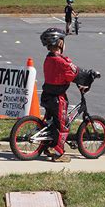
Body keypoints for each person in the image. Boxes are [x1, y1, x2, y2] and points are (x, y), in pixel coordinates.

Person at [39, 28, 80, 163]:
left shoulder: (48, 59)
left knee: (51, 123)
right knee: (63, 126)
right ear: (60, 43)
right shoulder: (62, 61)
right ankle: (59, 153)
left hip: (47, 95)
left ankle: (49, 146)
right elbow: (72, 74)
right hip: (58, 98)